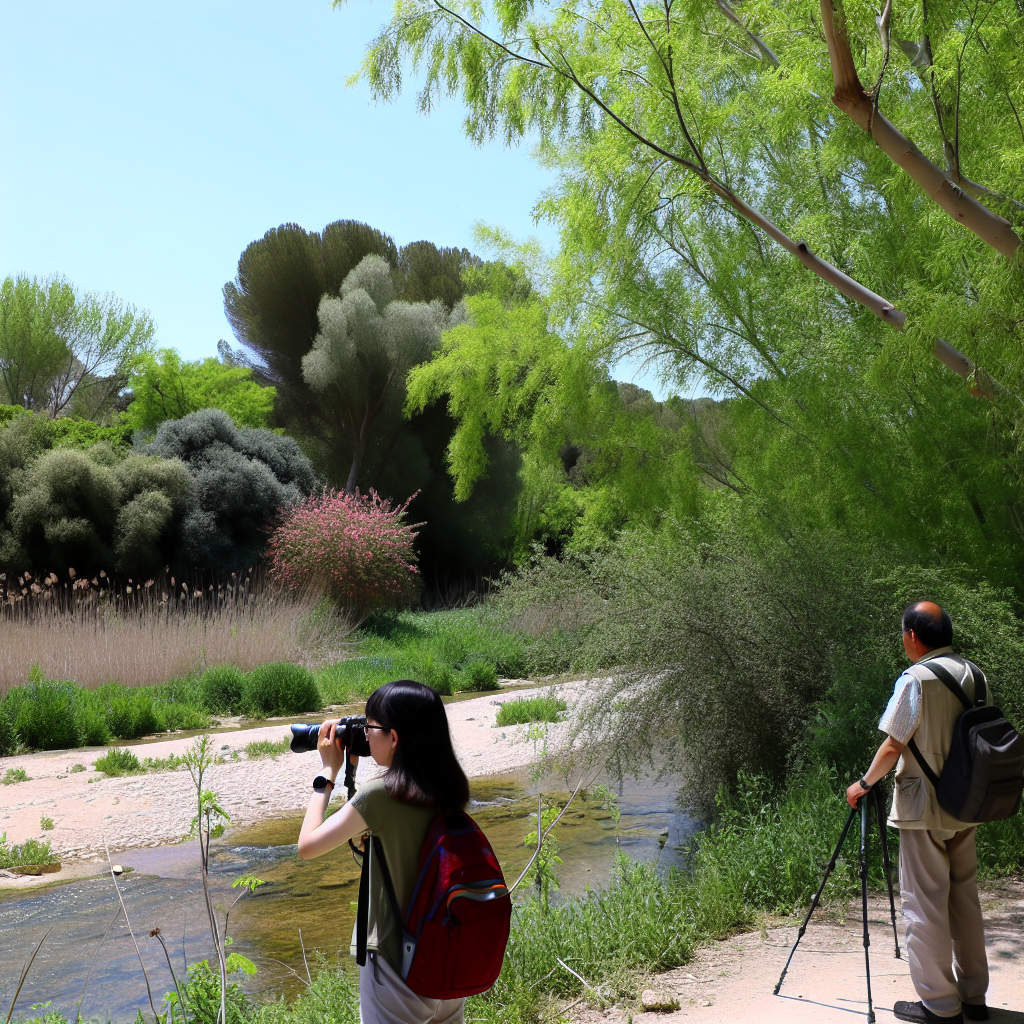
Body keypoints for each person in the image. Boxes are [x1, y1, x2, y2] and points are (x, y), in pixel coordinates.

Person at [846, 601, 990, 1024]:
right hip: (967, 801)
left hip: (923, 805)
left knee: (925, 904)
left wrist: (864, 784)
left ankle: (940, 1007)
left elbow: (893, 744)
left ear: (912, 635)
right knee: (964, 898)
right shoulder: (975, 674)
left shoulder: (916, 679)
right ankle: (974, 999)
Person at [298, 679, 470, 1024]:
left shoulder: (381, 796)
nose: (364, 735)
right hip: (445, 958)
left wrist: (328, 771)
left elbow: (307, 845)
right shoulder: (450, 786)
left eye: (370, 726)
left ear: (394, 738)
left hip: (396, 964)